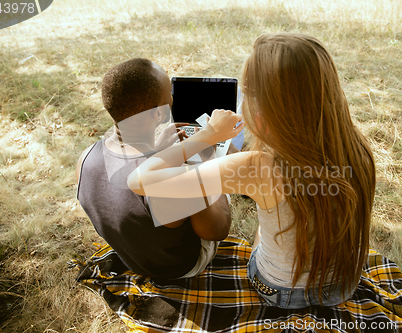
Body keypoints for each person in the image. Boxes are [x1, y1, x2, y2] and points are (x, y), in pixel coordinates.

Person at [127, 33, 376, 308]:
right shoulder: (355, 147)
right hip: (343, 285)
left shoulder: (256, 169)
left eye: (245, 91)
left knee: (262, 224)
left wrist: (205, 137)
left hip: (279, 290)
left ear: (267, 107)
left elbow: (140, 180)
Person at [76, 58, 232, 279]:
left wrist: (157, 152)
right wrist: (205, 163)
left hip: (135, 259)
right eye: (170, 93)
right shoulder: (171, 180)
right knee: (222, 162)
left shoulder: (85, 158)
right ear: (158, 114)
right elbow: (219, 230)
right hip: (180, 267)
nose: (172, 98)